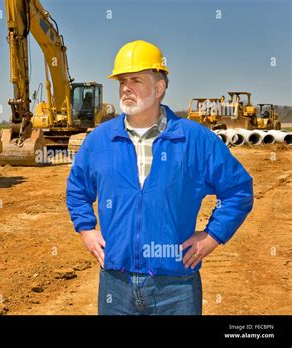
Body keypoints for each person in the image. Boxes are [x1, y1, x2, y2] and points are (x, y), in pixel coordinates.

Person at [65, 40, 254, 315]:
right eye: (122, 81)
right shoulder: (99, 141)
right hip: (115, 285)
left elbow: (238, 190)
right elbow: (77, 189)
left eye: (136, 80)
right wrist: (86, 229)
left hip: (175, 286)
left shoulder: (195, 140)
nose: (126, 88)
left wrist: (212, 236)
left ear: (159, 88)